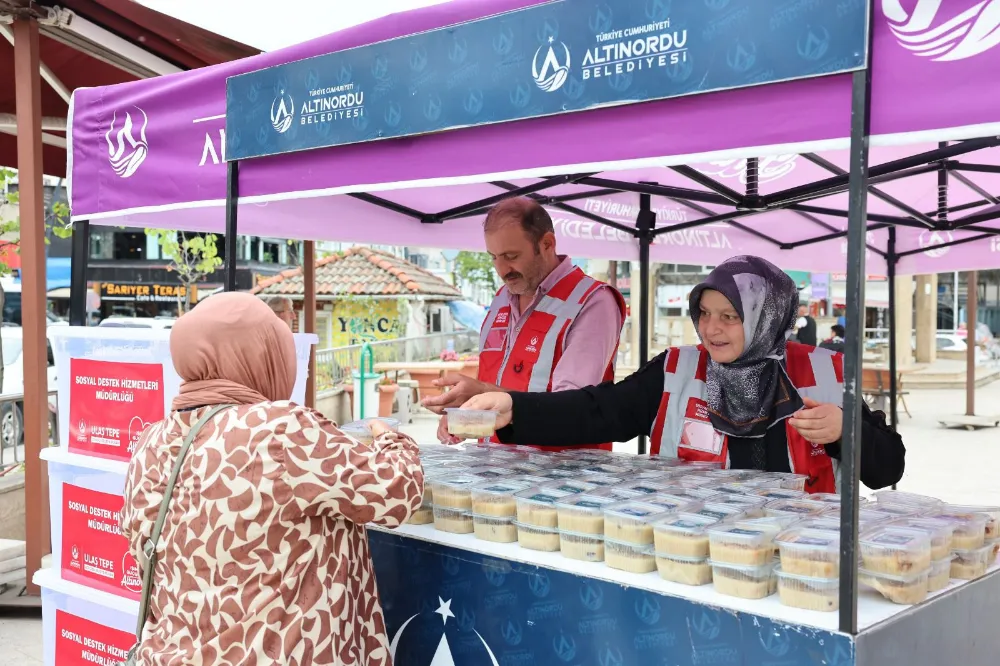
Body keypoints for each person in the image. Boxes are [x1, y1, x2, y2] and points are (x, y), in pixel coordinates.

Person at [120, 292, 423, 665]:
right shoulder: (279, 430)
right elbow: (397, 491)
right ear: (263, 355)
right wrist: (389, 438)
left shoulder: (149, 442)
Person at [461, 256, 905, 492]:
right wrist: (514, 407)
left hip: (803, 565)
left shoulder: (825, 371)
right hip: (695, 558)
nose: (711, 329)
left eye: (730, 316)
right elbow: (597, 411)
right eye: (705, 313)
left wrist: (846, 431)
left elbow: (888, 469)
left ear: (767, 318)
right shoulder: (676, 369)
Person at [424, 196, 626, 449]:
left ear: (547, 243)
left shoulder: (592, 302)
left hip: (564, 469)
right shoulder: (502, 298)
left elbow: (574, 407)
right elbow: (497, 376)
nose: (502, 269)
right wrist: (467, 414)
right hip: (496, 463)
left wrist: (482, 392)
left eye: (511, 256)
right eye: (493, 257)